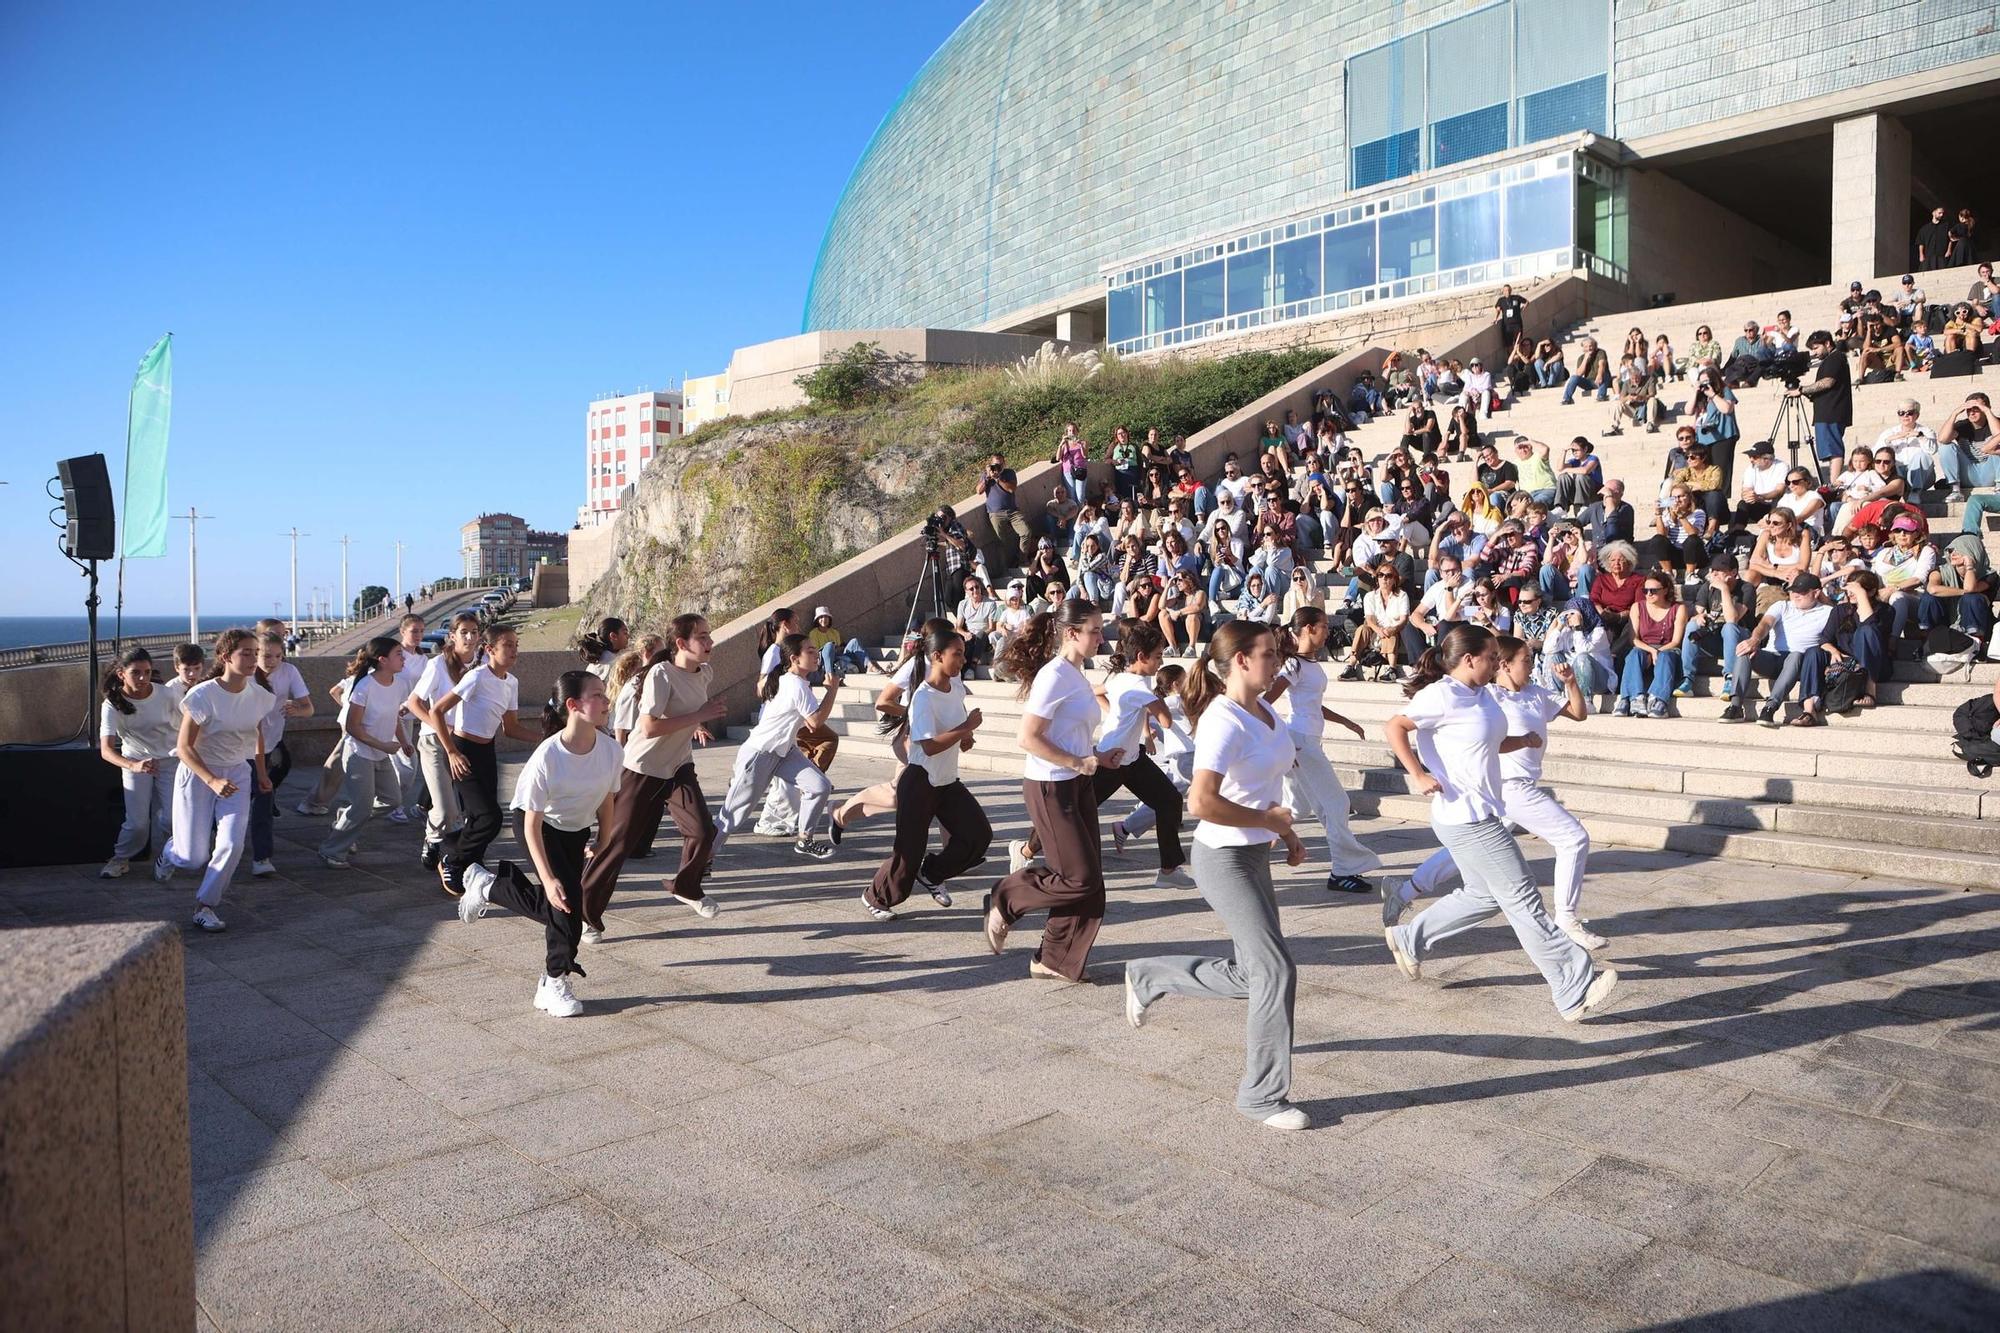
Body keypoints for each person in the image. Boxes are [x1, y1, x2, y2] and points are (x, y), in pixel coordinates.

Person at [1123, 619, 1312, 1130]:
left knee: (1254, 973)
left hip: (1254, 853)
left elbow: (1267, 793)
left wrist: (1287, 836)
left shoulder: (1266, 710)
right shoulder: (1223, 720)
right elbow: (1201, 800)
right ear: (1243, 661)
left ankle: (1151, 975)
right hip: (1222, 859)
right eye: (1270, 653)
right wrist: (1269, 822)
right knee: (1276, 971)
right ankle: (1261, 1097)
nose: (1278, 660)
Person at [1380, 624, 1616, 1020]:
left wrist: (1519, 742)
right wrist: (1418, 775)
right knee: (1523, 898)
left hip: (1478, 811)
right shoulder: (1441, 694)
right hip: (1466, 817)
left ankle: (1410, 939)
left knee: (1484, 896)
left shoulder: (1480, 694)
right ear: (1469, 659)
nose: (1495, 663)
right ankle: (1573, 986)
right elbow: (1395, 726)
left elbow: (1482, 740)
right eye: (1490, 657)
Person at [454, 671, 624, 1018]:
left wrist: (604, 838)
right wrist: (547, 880)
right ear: (573, 705)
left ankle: (490, 887)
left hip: (575, 830)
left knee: (564, 907)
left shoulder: (610, 749)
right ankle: (554, 981)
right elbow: (530, 823)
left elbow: (607, 800)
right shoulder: (548, 756)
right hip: (539, 825)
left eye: (606, 695)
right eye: (598, 696)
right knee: (565, 909)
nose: (607, 702)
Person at [984, 599, 1118, 983]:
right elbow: (1027, 737)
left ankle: (1055, 961)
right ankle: (1006, 899)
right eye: (1094, 630)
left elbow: (1068, 733)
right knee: (1079, 878)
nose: (1100, 637)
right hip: (1050, 787)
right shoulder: (1055, 675)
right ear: (1071, 633)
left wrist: (1096, 756)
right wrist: (1078, 763)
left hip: (1076, 784)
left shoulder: (1075, 674)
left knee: (1089, 885)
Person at [580, 615, 730, 939]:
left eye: (709, 636)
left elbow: (686, 712)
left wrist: (698, 724)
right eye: (702, 637)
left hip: (678, 766)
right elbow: (648, 727)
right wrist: (700, 716)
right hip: (642, 767)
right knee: (616, 846)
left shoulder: (705, 672)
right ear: (681, 644)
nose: (709, 643)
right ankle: (585, 915)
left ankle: (686, 887)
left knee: (704, 831)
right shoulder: (661, 673)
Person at [859, 627, 991, 920]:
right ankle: (876, 896)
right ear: (936, 656)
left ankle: (931, 873)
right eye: (956, 654)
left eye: (963, 653)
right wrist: (966, 728)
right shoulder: (922, 697)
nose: (963, 659)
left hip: (946, 781)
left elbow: (956, 729)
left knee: (978, 835)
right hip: (920, 780)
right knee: (908, 850)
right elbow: (929, 746)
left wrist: (965, 737)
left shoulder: (956, 687)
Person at [156, 630, 274, 932]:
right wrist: (211, 780)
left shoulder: (259, 695)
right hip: (198, 773)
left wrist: (261, 773)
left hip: (237, 773)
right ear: (225, 657)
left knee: (232, 844)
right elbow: (184, 748)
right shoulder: (202, 695)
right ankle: (172, 851)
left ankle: (205, 905)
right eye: (246, 652)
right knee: (192, 858)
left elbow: (256, 735)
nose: (253, 658)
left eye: (255, 651)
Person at [1266, 607, 1378, 895]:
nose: (1328, 631)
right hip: (1301, 741)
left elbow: (1314, 704)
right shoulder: (1293, 665)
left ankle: (1258, 833)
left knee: (1299, 806)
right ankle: (1342, 871)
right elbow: (1267, 700)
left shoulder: (1309, 664)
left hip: (1307, 739)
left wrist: (1347, 722)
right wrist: (1272, 734)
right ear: (1307, 629)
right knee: (1337, 804)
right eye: (1324, 626)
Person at [431, 624, 541, 895]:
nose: (514, 650)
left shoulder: (511, 682)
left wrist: (543, 739)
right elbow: (436, 711)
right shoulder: (477, 677)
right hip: (462, 751)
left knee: (479, 817)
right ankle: (453, 860)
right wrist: (452, 752)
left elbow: (511, 728)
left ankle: (465, 859)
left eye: (516, 644)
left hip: (486, 752)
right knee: (489, 818)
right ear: (490, 649)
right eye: (508, 645)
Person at [713, 634, 843, 860]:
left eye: (816, 651)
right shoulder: (795, 685)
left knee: (819, 786)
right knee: (733, 815)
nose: (816, 655)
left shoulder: (793, 681)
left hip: (784, 751)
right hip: (760, 754)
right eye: (810, 651)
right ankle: (700, 862)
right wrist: (832, 689)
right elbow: (815, 723)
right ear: (794, 658)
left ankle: (804, 839)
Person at [317, 636, 413, 867]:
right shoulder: (364, 686)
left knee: (392, 800)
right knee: (362, 806)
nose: (404, 658)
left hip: (380, 754)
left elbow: (394, 719)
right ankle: (331, 851)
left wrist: (404, 742)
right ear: (382, 660)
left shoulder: (399, 685)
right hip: (359, 753)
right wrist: (384, 746)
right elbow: (352, 727)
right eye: (398, 653)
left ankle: (346, 817)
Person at [405, 612, 482, 873]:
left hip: (466, 740)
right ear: (452, 636)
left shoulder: (482, 664)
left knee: (466, 806)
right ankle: (435, 840)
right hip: (434, 742)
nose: (470, 637)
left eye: (474, 631)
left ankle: (440, 838)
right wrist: (440, 725)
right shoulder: (438, 664)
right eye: (464, 632)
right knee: (448, 807)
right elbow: (414, 702)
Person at [97, 648, 179, 879]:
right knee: (138, 823)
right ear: (122, 674)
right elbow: (106, 750)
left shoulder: (168, 695)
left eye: (147, 672)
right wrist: (133, 765)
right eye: (136, 673)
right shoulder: (112, 704)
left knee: (173, 818)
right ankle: (120, 859)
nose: (143, 678)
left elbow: (190, 726)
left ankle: (170, 856)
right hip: (135, 761)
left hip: (171, 761)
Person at [1728, 574, 1835, 727]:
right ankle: (1735, 706)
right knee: (1744, 649)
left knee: (1796, 655)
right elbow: (1764, 624)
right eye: (1793, 591)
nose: (1796, 595)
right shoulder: (1782, 605)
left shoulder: (1827, 612)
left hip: (1798, 664)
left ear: (1816, 593)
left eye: (1802, 592)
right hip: (1772, 657)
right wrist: (1754, 640)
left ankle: (1770, 708)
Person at [247, 633, 313, 876]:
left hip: (269, 744)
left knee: (264, 800)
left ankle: (262, 858)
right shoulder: (246, 674)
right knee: (239, 801)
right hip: (241, 748)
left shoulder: (289, 672)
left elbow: (309, 709)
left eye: (278, 656)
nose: (272, 661)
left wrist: (297, 709)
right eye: (266, 655)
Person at [1680, 554, 1754, 700]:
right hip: (1715, 638)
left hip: (1740, 640)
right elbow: (1696, 614)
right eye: (1713, 570)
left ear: (1733, 572)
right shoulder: (1707, 587)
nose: (1714, 574)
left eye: (1720, 570)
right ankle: (1687, 679)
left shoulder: (1746, 588)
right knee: (1692, 626)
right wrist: (1698, 617)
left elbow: (1732, 619)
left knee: (1729, 628)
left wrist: (1724, 589)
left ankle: (1730, 678)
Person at [1615, 571, 1687, 718]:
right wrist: (1651, 651)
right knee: (1634, 653)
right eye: (1645, 590)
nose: (1648, 594)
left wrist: (1658, 651)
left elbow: (1676, 641)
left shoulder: (1678, 609)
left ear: (1665, 590)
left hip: (1669, 649)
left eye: (1653, 590)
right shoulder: (1637, 607)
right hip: (1644, 648)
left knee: (1665, 656)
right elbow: (1633, 639)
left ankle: (1658, 699)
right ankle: (1635, 697)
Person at [1793, 329, 1852, 466]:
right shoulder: (1830, 359)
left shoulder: (1836, 357)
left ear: (1827, 343)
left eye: (1816, 348)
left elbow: (1828, 382)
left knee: (1834, 450)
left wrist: (1802, 390)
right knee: (1830, 451)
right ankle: (1832, 481)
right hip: (1825, 412)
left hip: (1832, 411)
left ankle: (1834, 483)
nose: (1814, 352)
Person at [980, 452, 1035, 568]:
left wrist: (998, 479)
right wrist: (987, 478)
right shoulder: (986, 475)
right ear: (991, 464)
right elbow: (978, 491)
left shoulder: (1009, 473)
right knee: (1001, 541)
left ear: (1004, 463)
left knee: (1026, 532)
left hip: (1012, 511)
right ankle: (1006, 567)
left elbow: (1011, 489)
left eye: (999, 464)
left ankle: (1022, 559)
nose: (997, 467)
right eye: (995, 464)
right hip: (995, 513)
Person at [1940, 394, 1998, 502]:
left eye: (1976, 408)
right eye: (1968, 409)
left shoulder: (1996, 423)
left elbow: (1998, 434)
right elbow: (1942, 439)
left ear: (1986, 408)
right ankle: (1956, 491)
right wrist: (1955, 413)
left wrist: (1988, 412)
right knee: (1946, 447)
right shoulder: (1962, 426)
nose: (1971, 412)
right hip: (1969, 474)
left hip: (1991, 473)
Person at [1553, 437, 1602, 511]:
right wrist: (1564, 451)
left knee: (1581, 476)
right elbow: (1560, 468)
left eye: (1577, 450)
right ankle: (1561, 508)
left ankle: (1582, 506)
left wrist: (1566, 469)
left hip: (1592, 492)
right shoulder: (1574, 461)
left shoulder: (1593, 458)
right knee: (1563, 477)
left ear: (1585, 449)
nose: (1574, 453)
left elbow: (1585, 470)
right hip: (1577, 493)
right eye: (1573, 451)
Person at [1560, 337, 1611, 404]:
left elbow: (1602, 365)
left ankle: (1601, 396)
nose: (1589, 348)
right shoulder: (1581, 358)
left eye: (1590, 346)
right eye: (1586, 347)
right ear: (1583, 348)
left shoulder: (1600, 352)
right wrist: (1585, 359)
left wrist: (1599, 375)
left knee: (1604, 373)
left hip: (1602, 380)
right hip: (1589, 382)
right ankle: (1567, 399)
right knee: (1573, 378)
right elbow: (1578, 374)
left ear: (1595, 346)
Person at [1917, 205, 1951, 271]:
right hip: (1928, 257)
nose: (1941, 215)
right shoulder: (1924, 229)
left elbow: (1951, 239)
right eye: (1939, 213)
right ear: (1933, 213)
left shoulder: (1946, 226)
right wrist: (1921, 255)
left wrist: (1949, 250)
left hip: (1942, 255)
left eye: (1942, 213)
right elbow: (1921, 242)